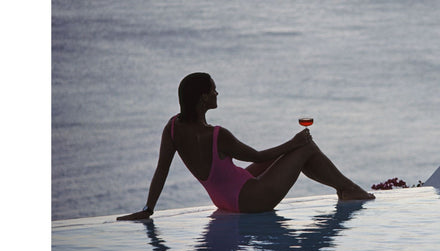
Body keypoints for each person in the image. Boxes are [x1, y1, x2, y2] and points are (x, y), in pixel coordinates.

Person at [118, 72, 374, 220]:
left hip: (224, 199)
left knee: (290, 153)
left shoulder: (172, 128)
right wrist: (294, 142)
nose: (217, 94)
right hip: (251, 200)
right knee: (305, 149)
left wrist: (148, 209)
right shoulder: (217, 135)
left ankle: (344, 188)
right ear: (202, 98)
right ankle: (348, 189)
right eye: (213, 90)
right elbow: (257, 154)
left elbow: (161, 170)